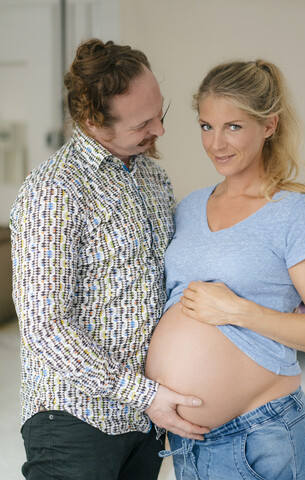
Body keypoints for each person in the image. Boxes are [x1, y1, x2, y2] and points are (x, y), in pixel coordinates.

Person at [9, 38, 208, 480]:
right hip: (76, 419)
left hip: (144, 419)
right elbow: (46, 326)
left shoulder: (154, 178)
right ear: (93, 122)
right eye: (143, 122)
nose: (159, 130)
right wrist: (141, 393)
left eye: (161, 113)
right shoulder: (53, 192)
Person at [145, 59, 305, 479]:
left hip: (258, 432)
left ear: (269, 126)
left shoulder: (295, 213)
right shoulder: (188, 208)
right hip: (185, 440)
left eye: (233, 127)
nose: (217, 143)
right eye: (206, 126)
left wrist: (238, 312)